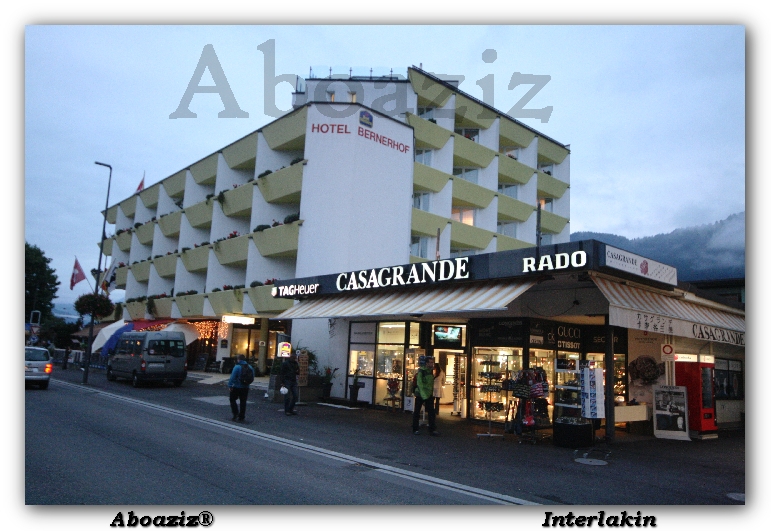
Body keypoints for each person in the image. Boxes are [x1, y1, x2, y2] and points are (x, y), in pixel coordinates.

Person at [412, 355, 438, 436]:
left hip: (427, 394)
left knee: (431, 412)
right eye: (430, 362)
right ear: (426, 363)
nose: (432, 364)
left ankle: (431, 429)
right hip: (421, 394)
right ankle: (416, 428)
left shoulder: (430, 371)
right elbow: (420, 384)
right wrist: (424, 395)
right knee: (418, 411)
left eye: (432, 362)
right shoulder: (422, 371)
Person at [227, 355, 253, 422]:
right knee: (243, 402)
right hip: (246, 387)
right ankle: (242, 416)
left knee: (232, 399)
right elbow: (252, 376)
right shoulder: (250, 367)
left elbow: (232, 377)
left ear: (238, 359)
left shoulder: (237, 367)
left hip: (237, 386)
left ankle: (235, 413)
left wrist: (230, 385)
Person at [280, 351, 300, 416]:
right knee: (288, 396)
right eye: (294, 357)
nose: (294, 359)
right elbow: (282, 373)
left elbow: (297, 372)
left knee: (294, 395)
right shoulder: (286, 364)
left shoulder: (294, 364)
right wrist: (282, 382)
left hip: (292, 380)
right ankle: (288, 410)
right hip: (288, 380)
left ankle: (289, 410)